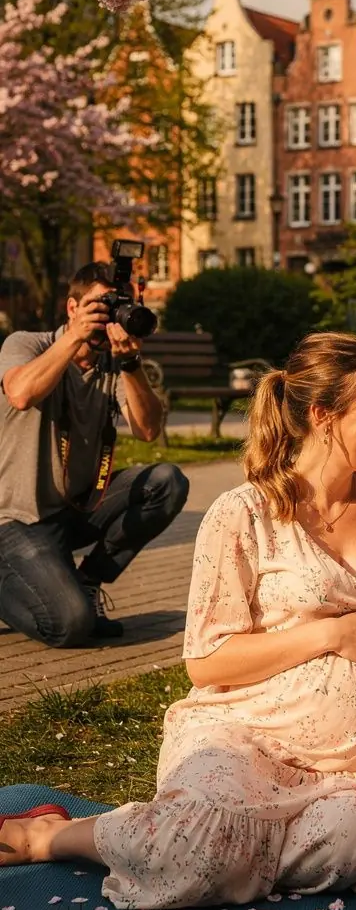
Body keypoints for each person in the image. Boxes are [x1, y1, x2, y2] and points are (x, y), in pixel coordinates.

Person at [0, 332, 356, 909]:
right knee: (202, 847)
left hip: (348, 771)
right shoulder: (242, 514)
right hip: (241, 737)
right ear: (324, 416)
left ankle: (214, 848)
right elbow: (206, 664)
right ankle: (54, 836)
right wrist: (329, 633)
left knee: (352, 848)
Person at [0, 261, 188, 647]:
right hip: (15, 518)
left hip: (75, 509)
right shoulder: (26, 343)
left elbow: (148, 430)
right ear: (73, 309)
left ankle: (87, 580)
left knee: (167, 482)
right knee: (70, 625)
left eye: (117, 306)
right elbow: (21, 394)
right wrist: (72, 338)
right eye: (101, 305)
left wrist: (132, 364)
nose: (109, 316)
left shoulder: (114, 365)